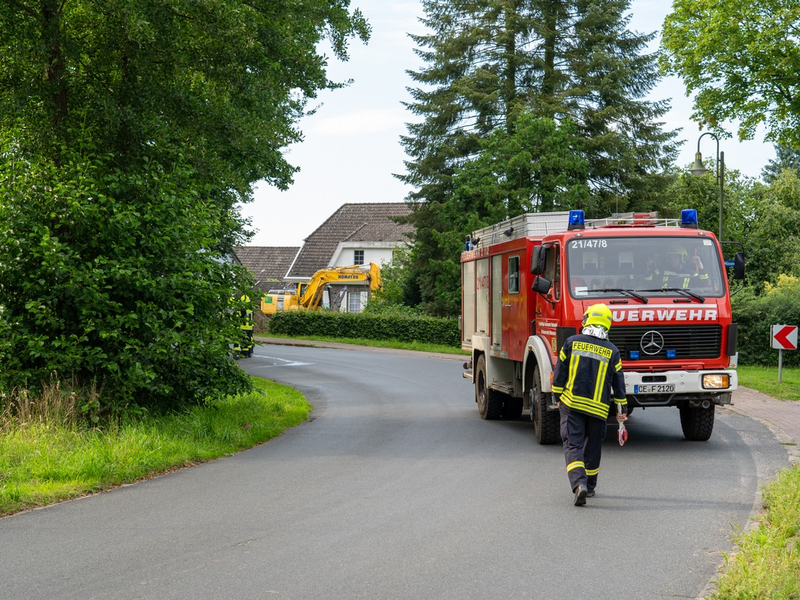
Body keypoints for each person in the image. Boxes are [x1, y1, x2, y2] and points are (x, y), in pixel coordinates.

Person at [552, 303, 627, 506]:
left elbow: (560, 374)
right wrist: (622, 411)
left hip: (572, 404)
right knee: (593, 447)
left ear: (588, 320)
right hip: (598, 410)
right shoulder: (612, 351)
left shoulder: (571, 342)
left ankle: (579, 484)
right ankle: (590, 487)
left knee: (573, 444)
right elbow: (619, 384)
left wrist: (557, 395)